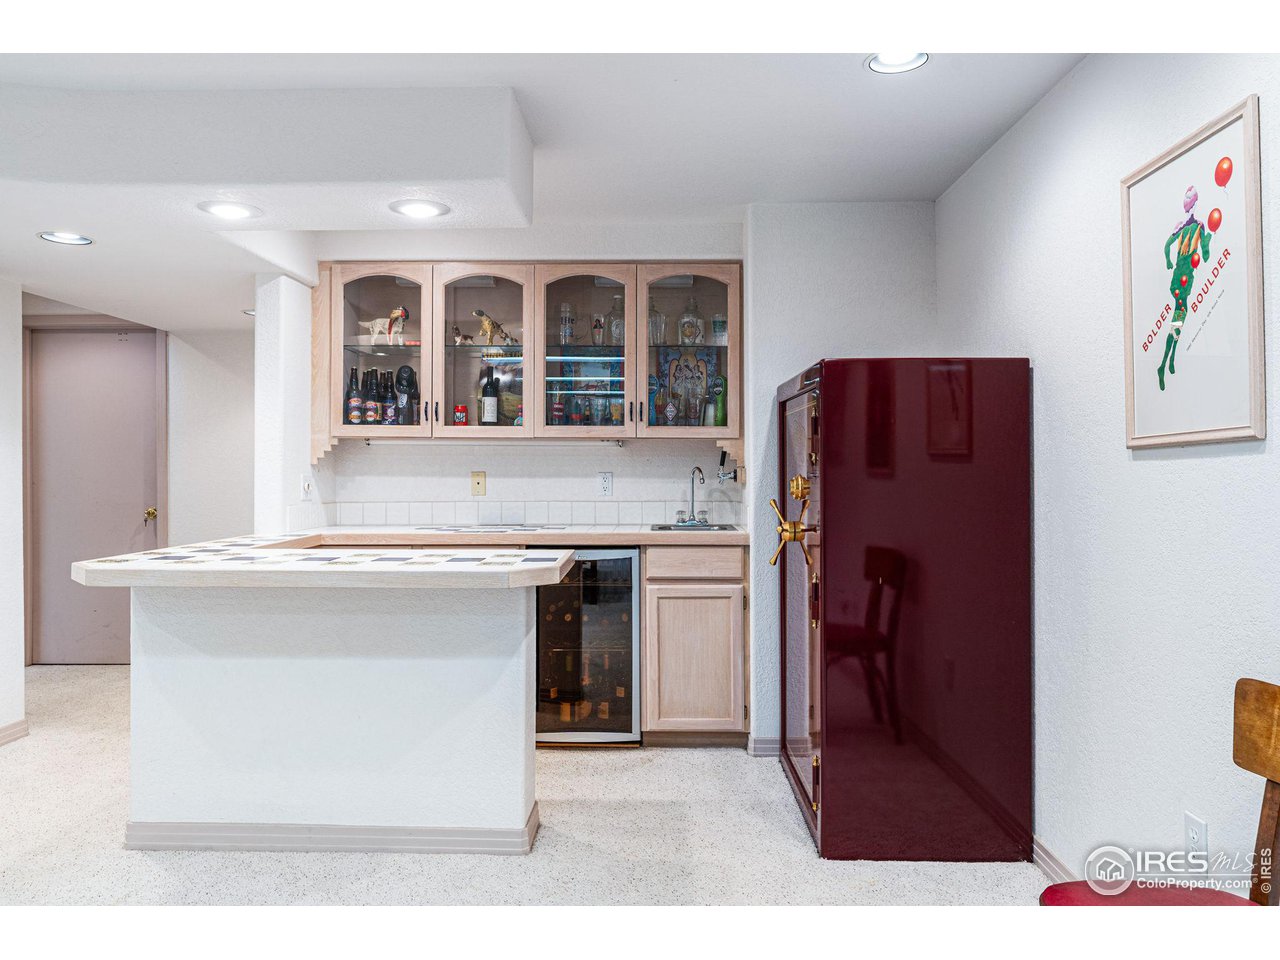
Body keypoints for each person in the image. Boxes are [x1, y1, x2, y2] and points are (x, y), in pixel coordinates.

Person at [1158, 185, 1212, 391]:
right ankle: (1163, 364)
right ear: (1195, 204)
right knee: (1178, 321)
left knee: (1179, 319)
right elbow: (1205, 256)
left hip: (1178, 281)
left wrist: (1169, 262)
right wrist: (1207, 240)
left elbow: (1166, 246)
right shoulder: (1199, 227)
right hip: (1184, 281)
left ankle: (1171, 360)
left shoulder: (1180, 228)